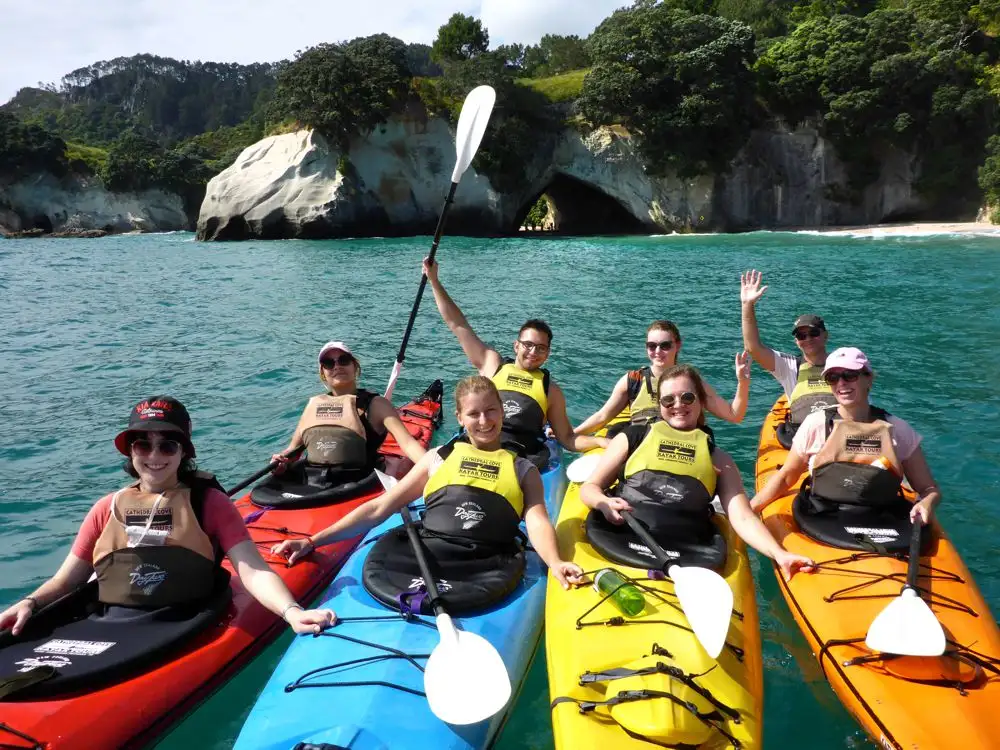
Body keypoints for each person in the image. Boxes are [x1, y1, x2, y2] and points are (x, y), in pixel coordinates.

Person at [0, 396, 334, 637]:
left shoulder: (211, 504)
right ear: (131, 452)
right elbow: (67, 581)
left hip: (183, 619)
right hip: (110, 622)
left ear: (183, 452)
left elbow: (253, 571)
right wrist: (30, 602)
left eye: (168, 445)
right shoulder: (106, 508)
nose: (154, 456)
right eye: (143, 445)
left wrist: (292, 612)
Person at [271, 376, 584, 596]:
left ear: (502, 412)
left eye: (491, 411)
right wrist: (313, 541)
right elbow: (381, 508)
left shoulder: (523, 469)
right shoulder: (437, 459)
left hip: (486, 565)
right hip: (425, 556)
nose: (484, 421)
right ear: (460, 418)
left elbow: (537, 520)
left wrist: (554, 562)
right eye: (474, 413)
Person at [580, 365, 814, 580]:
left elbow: (742, 516)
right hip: (624, 535)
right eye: (668, 400)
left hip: (687, 547)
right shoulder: (632, 437)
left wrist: (779, 554)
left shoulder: (719, 459)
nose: (678, 405)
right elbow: (590, 488)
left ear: (701, 401)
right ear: (660, 405)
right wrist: (603, 503)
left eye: (687, 397)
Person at [422, 258, 605, 468]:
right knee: (432, 459)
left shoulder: (550, 391)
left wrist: (601, 441)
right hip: (476, 445)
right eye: (528, 345)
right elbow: (457, 324)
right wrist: (434, 281)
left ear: (548, 353)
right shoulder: (492, 364)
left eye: (541, 348)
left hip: (519, 457)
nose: (533, 352)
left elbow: (567, 438)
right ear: (516, 345)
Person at [750, 347, 941, 526]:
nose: (841, 383)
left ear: (869, 378)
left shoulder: (898, 429)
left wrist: (927, 503)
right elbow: (786, 478)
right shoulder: (815, 424)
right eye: (833, 377)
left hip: (882, 518)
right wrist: (749, 510)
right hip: (824, 516)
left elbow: (928, 488)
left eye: (850, 375)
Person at [271, 341, 427, 479]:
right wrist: (281, 461)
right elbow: (293, 450)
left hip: (359, 481)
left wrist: (434, 467)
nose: (337, 366)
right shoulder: (313, 406)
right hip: (314, 480)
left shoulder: (377, 404)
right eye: (328, 363)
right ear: (323, 373)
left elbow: (407, 443)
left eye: (343, 360)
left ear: (355, 367)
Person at [574, 320, 752, 437]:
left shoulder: (692, 381)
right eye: (652, 346)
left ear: (678, 345)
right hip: (640, 445)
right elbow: (603, 416)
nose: (657, 351)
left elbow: (734, 415)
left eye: (665, 345)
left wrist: (743, 382)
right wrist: (572, 433)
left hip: (679, 447)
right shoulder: (633, 380)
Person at [740, 269, 836, 445]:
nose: (807, 339)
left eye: (813, 333)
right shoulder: (789, 366)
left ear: (825, 335)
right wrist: (747, 305)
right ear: (796, 341)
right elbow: (753, 347)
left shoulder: (842, 364)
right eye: (801, 336)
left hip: (839, 436)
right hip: (804, 440)